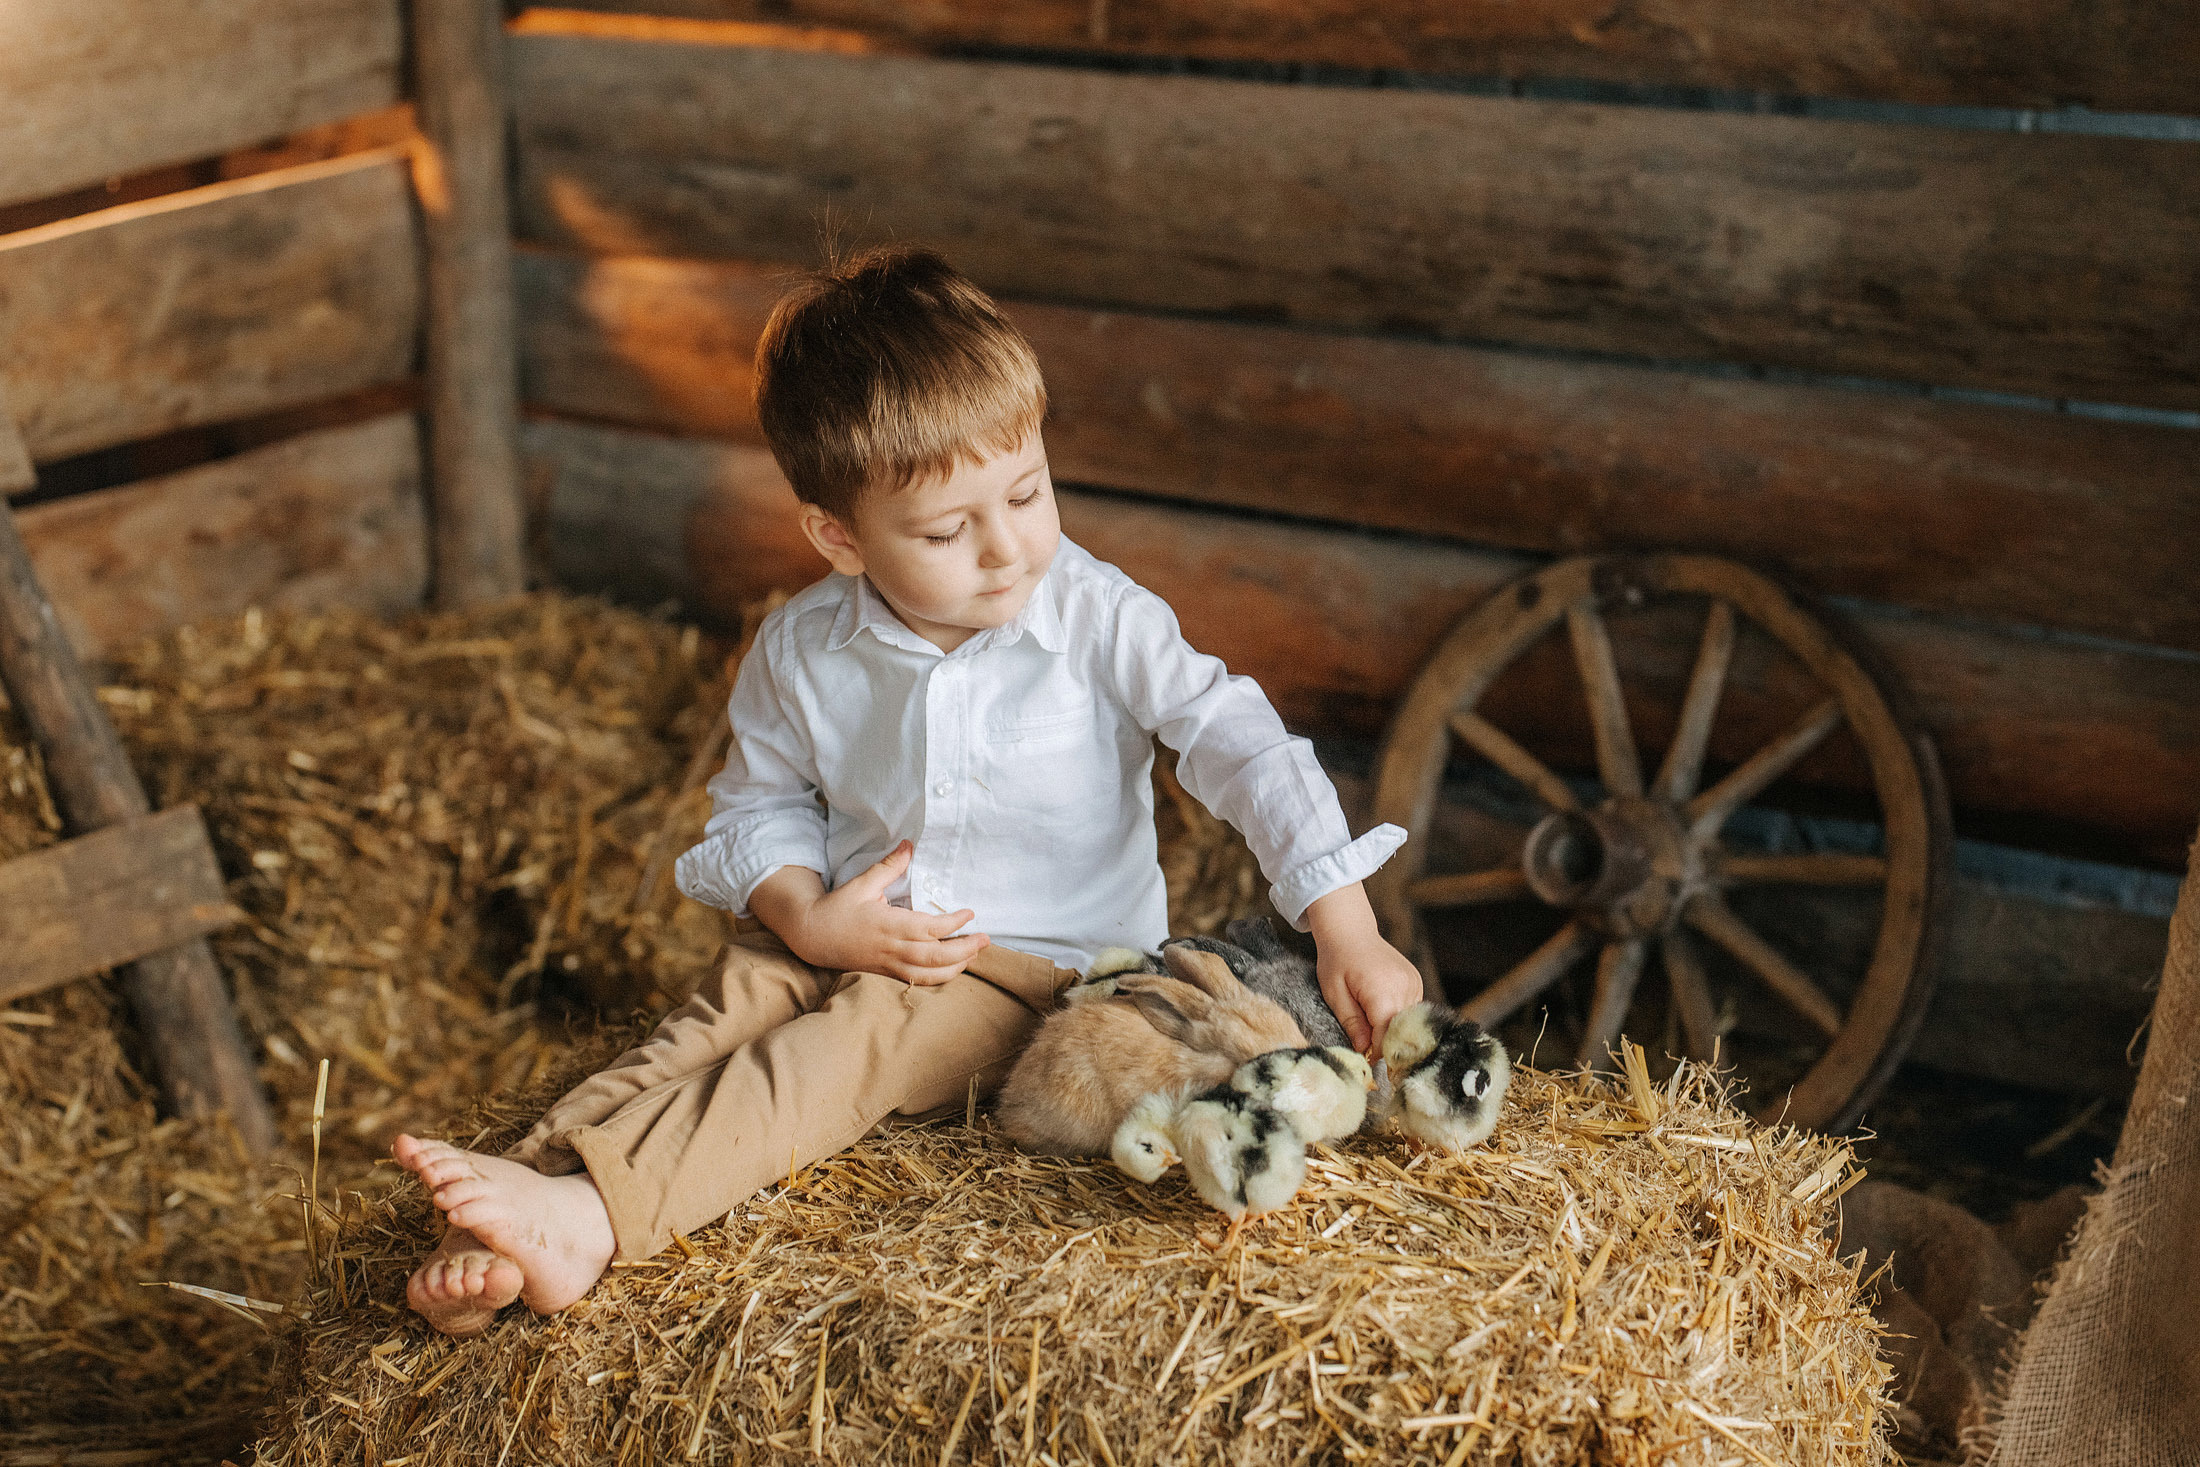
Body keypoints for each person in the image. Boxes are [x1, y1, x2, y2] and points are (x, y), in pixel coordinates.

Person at [391, 245, 1421, 1336]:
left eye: (1026, 493)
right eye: (943, 531)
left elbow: (1240, 743)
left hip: (1032, 971)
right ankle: (500, 1228)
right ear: (838, 537)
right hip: (836, 934)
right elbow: (759, 806)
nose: (1005, 547)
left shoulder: (1095, 616)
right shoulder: (801, 648)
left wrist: (1341, 924)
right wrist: (806, 919)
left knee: (844, 1050)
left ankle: (594, 1217)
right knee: (706, 1026)